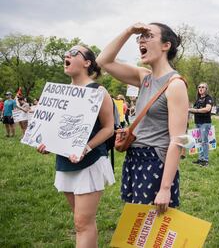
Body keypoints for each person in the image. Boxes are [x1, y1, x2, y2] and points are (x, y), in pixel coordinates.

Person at [96, 22, 188, 213]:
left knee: (151, 230)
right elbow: (103, 61)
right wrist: (129, 31)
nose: (142, 40)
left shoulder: (175, 84)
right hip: (134, 158)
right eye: (141, 37)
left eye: (149, 36)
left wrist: (164, 188)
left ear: (166, 45)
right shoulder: (143, 76)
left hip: (154, 162)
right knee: (137, 226)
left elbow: (178, 140)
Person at [37, 45, 115, 248]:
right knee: (80, 222)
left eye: (73, 53)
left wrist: (86, 148)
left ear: (87, 62)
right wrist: (48, 144)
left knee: (82, 223)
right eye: (66, 53)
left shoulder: (98, 91)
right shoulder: (61, 93)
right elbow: (56, 130)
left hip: (89, 161)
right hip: (65, 161)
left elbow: (109, 128)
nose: (66, 55)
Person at [189, 82, 213, 167]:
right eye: (199, 87)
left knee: (204, 142)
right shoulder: (198, 99)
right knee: (199, 142)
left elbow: (207, 109)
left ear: (206, 89)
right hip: (197, 122)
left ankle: (205, 160)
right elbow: (193, 109)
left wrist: (196, 110)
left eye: (203, 87)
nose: (201, 88)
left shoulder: (208, 98)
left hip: (205, 123)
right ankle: (200, 159)